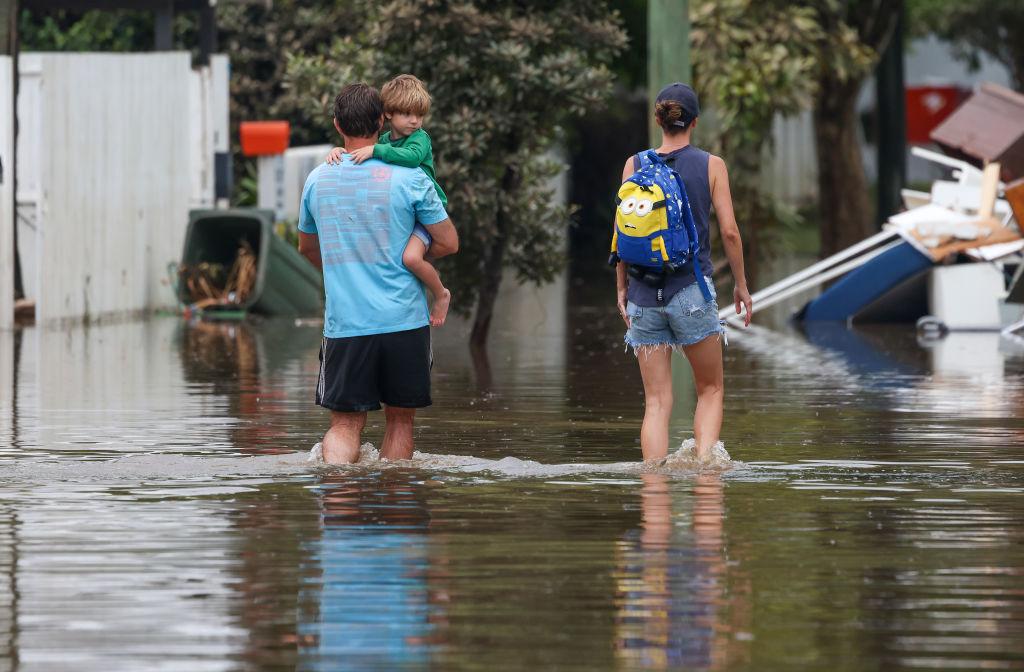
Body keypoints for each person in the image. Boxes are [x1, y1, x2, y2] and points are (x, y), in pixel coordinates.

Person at [299, 82, 458, 464]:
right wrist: (405, 261)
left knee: (344, 425)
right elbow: (448, 243)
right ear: (381, 119)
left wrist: (342, 271)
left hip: (347, 323)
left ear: (338, 124)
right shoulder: (412, 178)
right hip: (404, 320)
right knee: (400, 423)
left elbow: (307, 248)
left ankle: (339, 504)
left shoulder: (318, 179)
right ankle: (398, 512)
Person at [614, 82, 753, 463]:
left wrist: (621, 287)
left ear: (658, 119)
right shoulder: (711, 165)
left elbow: (625, 230)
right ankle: (707, 484)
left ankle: (653, 497)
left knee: (657, 402)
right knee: (710, 389)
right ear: (694, 122)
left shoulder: (635, 164)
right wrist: (740, 285)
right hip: (691, 291)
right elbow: (728, 231)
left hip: (643, 295)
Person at [326, 74, 452, 327]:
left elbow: (412, 158)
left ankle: (440, 293)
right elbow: (360, 151)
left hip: (423, 215)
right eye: (407, 114)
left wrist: (376, 150)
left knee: (411, 259)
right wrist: (339, 151)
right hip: (403, 213)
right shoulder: (384, 141)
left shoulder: (419, 139)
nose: (415, 121)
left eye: (420, 115)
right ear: (388, 115)